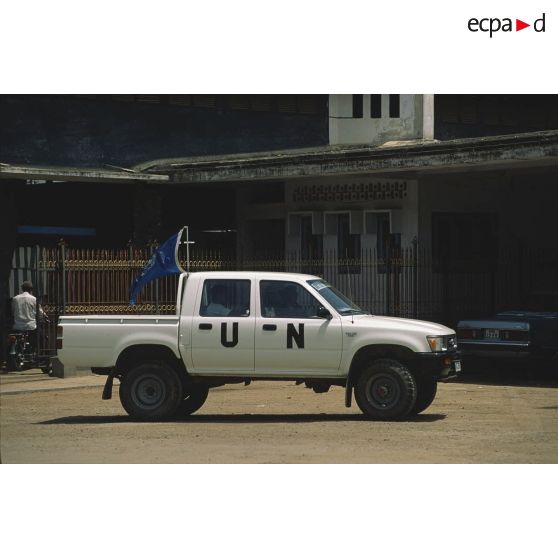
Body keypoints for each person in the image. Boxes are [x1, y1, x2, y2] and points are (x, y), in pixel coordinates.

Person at [11, 281, 45, 352]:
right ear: (31, 290)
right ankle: (42, 355)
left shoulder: (15, 299)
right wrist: (42, 316)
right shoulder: (33, 299)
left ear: (22, 289)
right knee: (42, 338)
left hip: (17, 326)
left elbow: (13, 311)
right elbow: (40, 312)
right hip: (31, 326)